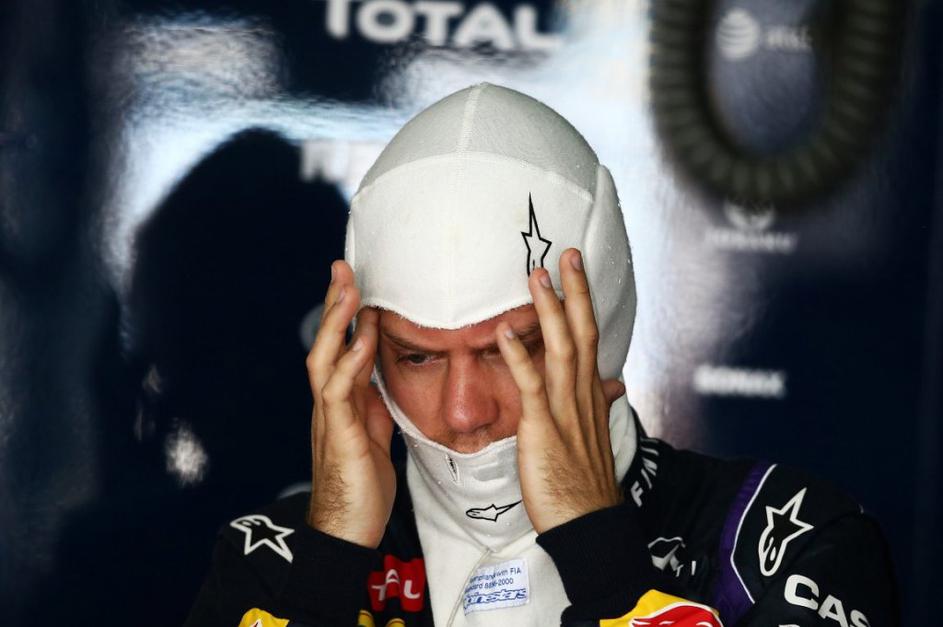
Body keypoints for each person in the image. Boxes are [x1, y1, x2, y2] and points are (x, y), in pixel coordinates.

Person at [184, 84, 898, 627]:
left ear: (601, 325)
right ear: (363, 359)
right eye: (418, 357)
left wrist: (601, 556)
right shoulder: (270, 562)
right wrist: (329, 564)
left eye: (515, 349)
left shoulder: (787, 541)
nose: (464, 414)